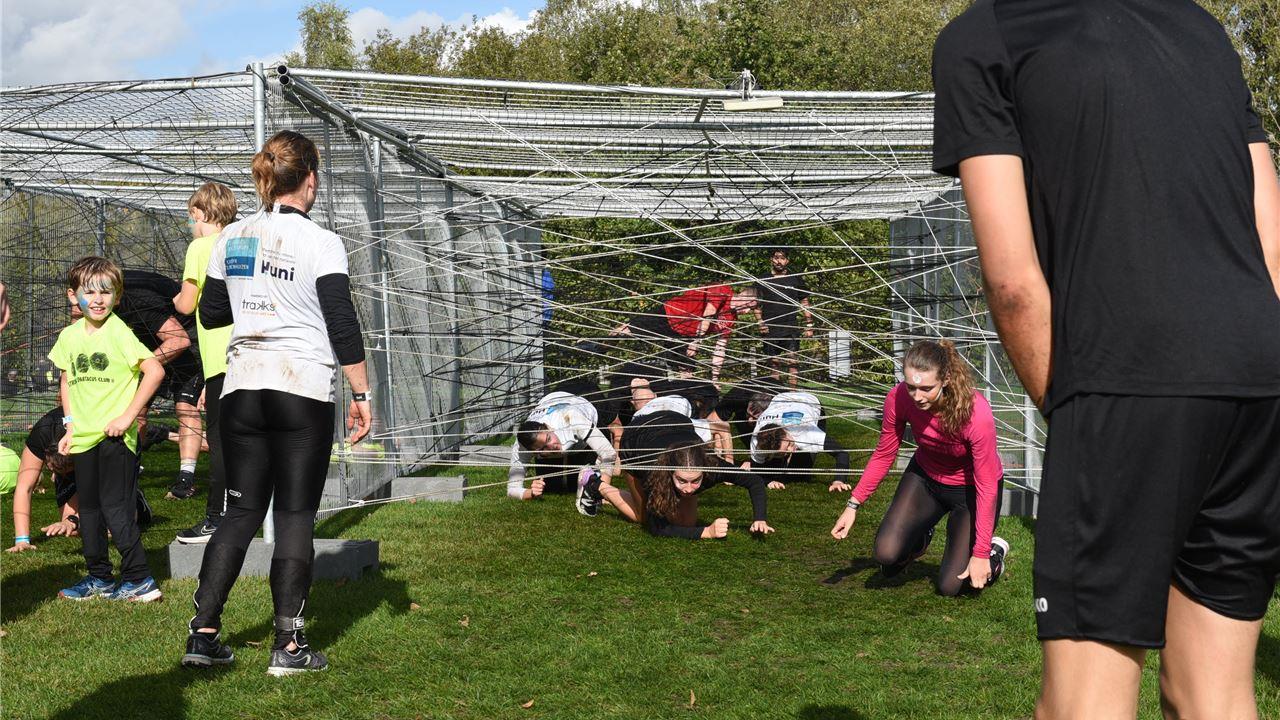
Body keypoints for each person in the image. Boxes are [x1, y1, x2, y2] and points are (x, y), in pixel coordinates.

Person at [933, 3, 1280, 717]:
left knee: (1082, 703)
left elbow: (1013, 283)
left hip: (1125, 372)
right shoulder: (1202, 29)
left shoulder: (984, 35)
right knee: (1214, 695)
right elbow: (1272, 246)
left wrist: (1072, 411)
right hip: (1258, 375)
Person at [181, 130, 373, 676]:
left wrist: (256, 298)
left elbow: (212, 313)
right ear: (310, 179)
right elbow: (341, 322)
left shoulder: (233, 236)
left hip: (242, 386)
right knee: (293, 516)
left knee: (239, 512)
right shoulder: (321, 241)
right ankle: (288, 646)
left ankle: (203, 635)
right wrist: (362, 394)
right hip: (301, 388)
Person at [830, 341, 1007, 598]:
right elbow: (884, 453)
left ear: (946, 379)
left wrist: (979, 554)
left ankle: (994, 554)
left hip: (969, 491)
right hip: (926, 478)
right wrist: (853, 504)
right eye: (911, 387)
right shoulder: (898, 397)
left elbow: (987, 485)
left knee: (951, 586)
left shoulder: (976, 413)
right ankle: (920, 536)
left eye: (926, 388)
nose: (917, 396)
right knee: (886, 555)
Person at [49, 257, 165, 602]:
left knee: (116, 509)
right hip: (83, 439)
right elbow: (66, 380)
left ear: (117, 295)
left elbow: (155, 370)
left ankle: (139, 579)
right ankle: (99, 577)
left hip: (115, 438)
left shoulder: (119, 332)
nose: (98, 299)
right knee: (89, 511)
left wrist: (127, 417)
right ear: (73, 296)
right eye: (90, 292)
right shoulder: (69, 336)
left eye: (106, 291)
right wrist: (70, 427)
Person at [578, 407, 773, 539]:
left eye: (695, 481)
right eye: (682, 481)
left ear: (704, 471)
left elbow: (754, 481)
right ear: (671, 472)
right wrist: (707, 532)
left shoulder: (712, 465)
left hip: (676, 421)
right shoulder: (655, 471)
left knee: (688, 523)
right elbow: (656, 528)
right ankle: (595, 484)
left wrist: (760, 519)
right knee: (642, 517)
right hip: (637, 437)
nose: (688, 489)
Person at [172, 182, 237, 544]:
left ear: (198, 213)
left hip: (219, 360)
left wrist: (173, 297)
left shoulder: (200, 247)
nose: (190, 225)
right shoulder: (241, 242)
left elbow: (186, 302)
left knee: (221, 442)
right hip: (247, 357)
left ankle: (218, 518)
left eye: (190, 218)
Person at [8, 406, 160, 553]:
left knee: (113, 527)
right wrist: (22, 540)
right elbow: (24, 488)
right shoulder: (41, 435)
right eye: (54, 469)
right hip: (77, 448)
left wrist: (73, 520)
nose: (59, 473)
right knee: (74, 531)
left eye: (66, 470)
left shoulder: (96, 438)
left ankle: (136, 501)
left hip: (111, 445)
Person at [112, 269, 204, 500]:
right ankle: (128, 469)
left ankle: (185, 480)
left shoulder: (138, 299)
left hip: (188, 341)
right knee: (135, 409)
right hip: (151, 343)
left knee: (185, 407)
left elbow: (179, 340)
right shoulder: (94, 300)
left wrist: (142, 367)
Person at [609, 284, 757, 382]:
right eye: (749, 307)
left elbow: (720, 348)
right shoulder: (723, 290)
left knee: (687, 369)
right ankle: (600, 346)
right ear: (745, 297)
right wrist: (697, 341)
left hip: (685, 335)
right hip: (670, 315)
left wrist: (715, 379)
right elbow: (708, 314)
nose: (747, 312)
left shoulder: (731, 319)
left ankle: (684, 399)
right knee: (628, 330)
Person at [508, 389, 619, 506]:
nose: (551, 447)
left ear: (548, 427)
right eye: (542, 449)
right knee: (552, 488)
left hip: (583, 406)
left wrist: (602, 493)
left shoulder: (571, 418)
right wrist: (531, 493)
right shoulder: (522, 445)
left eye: (548, 439)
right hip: (551, 407)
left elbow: (609, 454)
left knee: (585, 484)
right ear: (533, 452)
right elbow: (512, 490)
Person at [747, 391, 852, 493]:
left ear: (785, 432)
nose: (791, 450)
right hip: (780, 400)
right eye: (783, 452)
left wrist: (838, 481)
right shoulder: (758, 440)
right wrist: (768, 481)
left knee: (800, 475)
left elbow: (841, 453)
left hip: (810, 401)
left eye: (789, 444)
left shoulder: (807, 432)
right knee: (775, 471)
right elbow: (756, 469)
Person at [629, 382, 734, 464]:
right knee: (721, 427)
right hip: (673, 418)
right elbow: (723, 425)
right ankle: (727, 461)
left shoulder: (636, 417)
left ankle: (722, 458)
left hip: (670, 420)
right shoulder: (641, 414)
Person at [753, 249, 813, 387]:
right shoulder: (762, 279)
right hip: (770, 328)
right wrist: (760, 323)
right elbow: (755, 304)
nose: (779, 261)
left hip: (790, 327)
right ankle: (776, 393)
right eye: (776, 257)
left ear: (787, 261)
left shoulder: (795, 279)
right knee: (774, 364)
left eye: (782, 258)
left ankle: (793, 393)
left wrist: (809, 325)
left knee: (793, 361)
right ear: (771, 259)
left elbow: (805, 302)